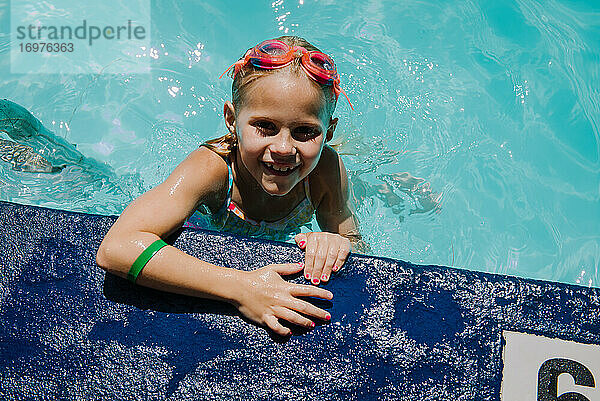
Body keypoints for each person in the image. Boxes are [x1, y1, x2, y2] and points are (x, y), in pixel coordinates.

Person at [96, 36, 368, 336]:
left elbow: (355, 242)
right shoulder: (211, 170)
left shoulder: (325, 171)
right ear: (231, 120)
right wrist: (242, 288)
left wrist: (335, 244)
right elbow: (116, 248)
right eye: (265, 126)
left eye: (305, 132)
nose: (283, 148)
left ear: (328, 132)